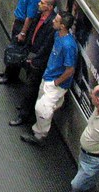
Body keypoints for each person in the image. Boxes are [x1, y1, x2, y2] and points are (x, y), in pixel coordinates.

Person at [21, 12, 78, 146]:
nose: (53, 21)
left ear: (63, 26)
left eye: (56, 21)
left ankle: (40, 135)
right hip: (47, 77)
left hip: (55, 84)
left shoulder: (69, 45)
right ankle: (40, 129)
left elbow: (70, 70)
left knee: (42, 108)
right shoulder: (57, 35)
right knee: (43, 104)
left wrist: (55, 83)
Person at [6, 0, 57, 123]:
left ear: (49, 7)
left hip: (38, 61)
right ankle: (26, 107)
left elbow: (46, 46)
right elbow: (33, 33)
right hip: (31, 54)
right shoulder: (39, 17)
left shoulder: (51, 25)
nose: (39, 4)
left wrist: (35, 59)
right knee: (29, 84)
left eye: (42, 3)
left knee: (31, 87)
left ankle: (23, 115)